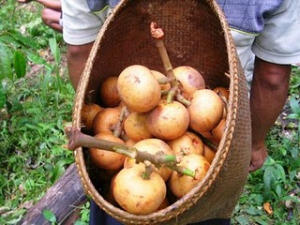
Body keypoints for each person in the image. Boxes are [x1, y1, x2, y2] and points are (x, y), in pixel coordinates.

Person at [33, 0, 300, 224]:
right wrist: (253, 143)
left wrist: (89, 112)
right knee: (205, 207)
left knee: (118, 207)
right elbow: (273, 77)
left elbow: (80, 49)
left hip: (159, 147)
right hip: (219, 144)